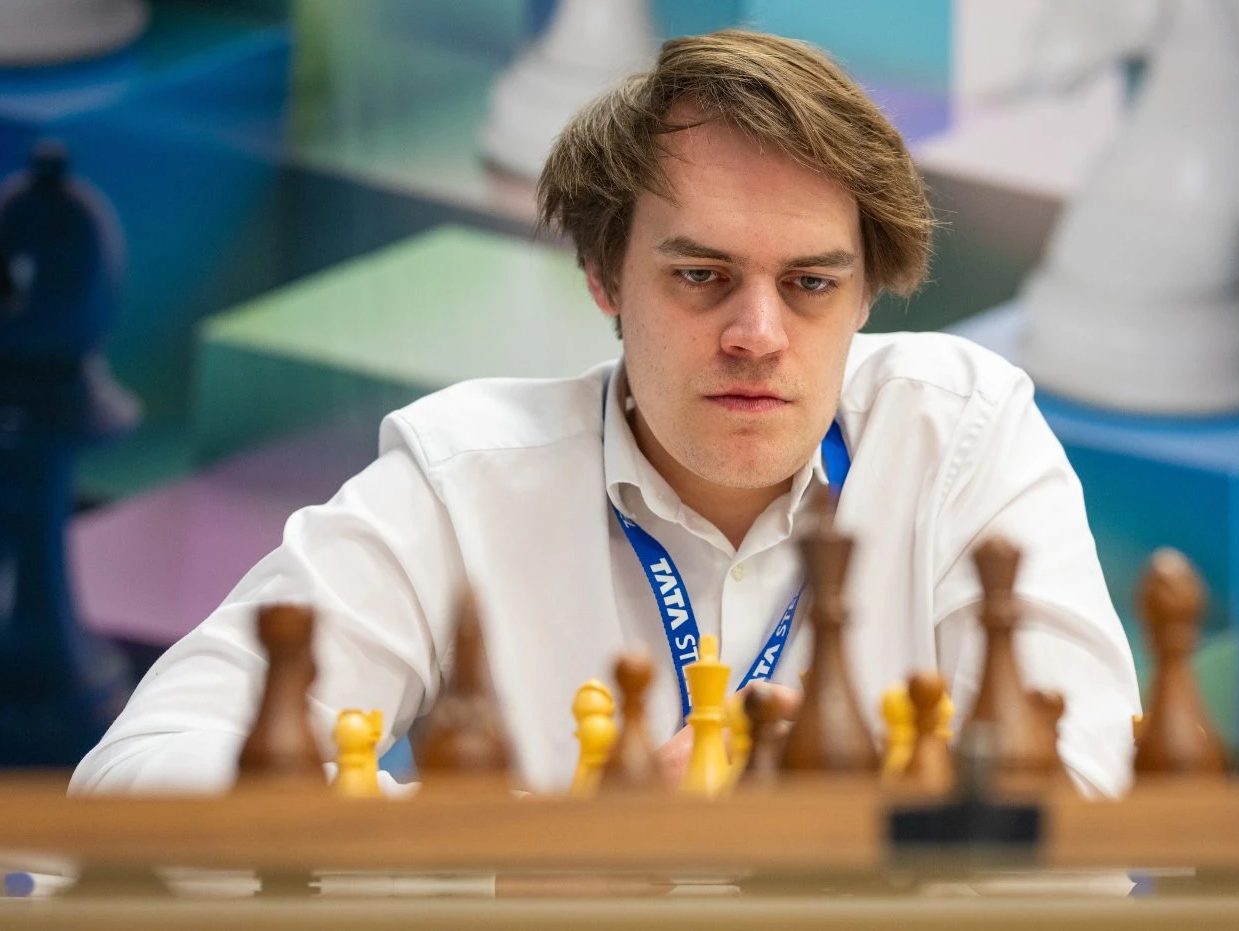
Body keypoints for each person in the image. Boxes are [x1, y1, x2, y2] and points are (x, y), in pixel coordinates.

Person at [71, 30, 1139, 797]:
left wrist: (843, 831)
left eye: (810, 284)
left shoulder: (962, 436)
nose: (757, 333)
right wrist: (532, 859)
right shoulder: (462, 478)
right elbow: (139, 772)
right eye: (701, 276)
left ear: (865, 297)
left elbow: (1091, 805)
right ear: (602, 276)